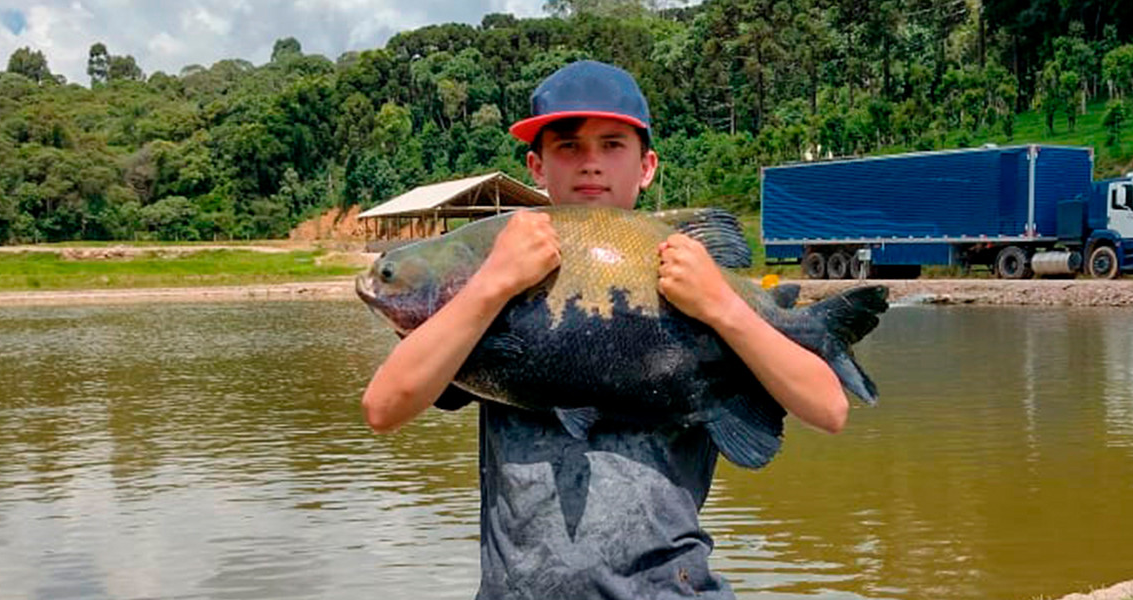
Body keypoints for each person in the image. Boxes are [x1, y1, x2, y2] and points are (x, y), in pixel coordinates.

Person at [359, 60, 850, 599]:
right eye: (568, 146)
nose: (590, 164)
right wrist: (492, 284)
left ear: (647, 166)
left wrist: (721, 307)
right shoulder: (493, 280)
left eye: (612, 145)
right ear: (536, 166)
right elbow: (384, 408)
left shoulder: (694, 274)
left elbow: (828, 409)